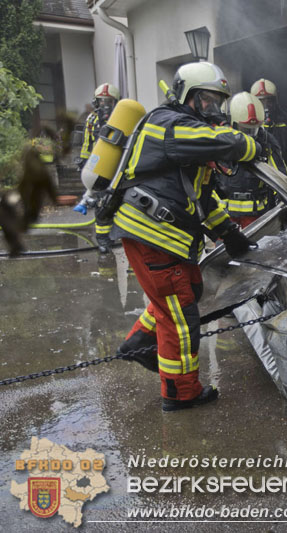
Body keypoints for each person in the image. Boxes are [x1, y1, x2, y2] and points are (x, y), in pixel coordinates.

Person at [110, 62, 260, 412]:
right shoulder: (169, 125)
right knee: (181, 321)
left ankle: (140, 344)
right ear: (186, 97)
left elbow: (202, 199)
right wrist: (246, 143)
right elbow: (222, 141)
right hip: (153, 236)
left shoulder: (184, 140)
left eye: (218, 102)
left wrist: (229, 233)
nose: (214, 110)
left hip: (164, 238)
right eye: (207, 100)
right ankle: (180, 394)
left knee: (187, 292)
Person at [216, 91, 287, 228]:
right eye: (245, 130)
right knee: (224, 249)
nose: (250, 136)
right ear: (232, 123)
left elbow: (279, 176)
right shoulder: (221, 140)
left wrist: (282, 203)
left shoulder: (266, 142)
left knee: (256, 248)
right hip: (224, 215)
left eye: (253, 130)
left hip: (255, 214)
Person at [74, 83, 120, 253]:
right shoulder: (92, 119)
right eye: (102, 101)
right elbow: (87, 143)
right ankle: (103, 239)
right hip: (99, 166)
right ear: (96, 102)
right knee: (101, 203)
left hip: (119, 166)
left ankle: (123, 236)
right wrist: (84, 162)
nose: (105, 105)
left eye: (109, 101)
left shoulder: (121, 118)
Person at [250, 79, 287, 182]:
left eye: (269, 100)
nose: (266, 105)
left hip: (283, 183)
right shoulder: (247, 129)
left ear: (275, 101)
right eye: (261, 101)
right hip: (258, 184)